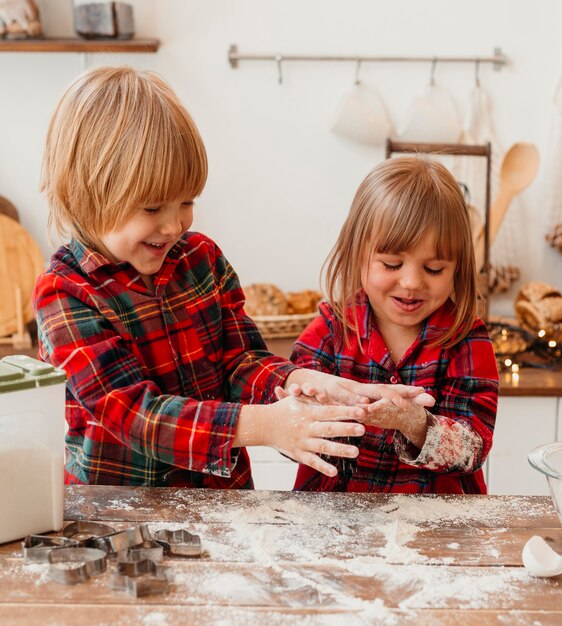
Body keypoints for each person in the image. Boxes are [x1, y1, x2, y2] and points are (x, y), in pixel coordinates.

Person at [33, 66, 431, 489]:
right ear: (87, 195)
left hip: (221, 502)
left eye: (186, 202)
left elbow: (239, 362)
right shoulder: (65, 292)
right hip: (116, 516)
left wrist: (302, 382)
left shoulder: (201, 259)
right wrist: (265, 425)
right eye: (152, 208)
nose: (174, 225)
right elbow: (136, 415)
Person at [289, 156, 499, 494]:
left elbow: (474, 448)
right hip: (334, 521)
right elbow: (290, 425)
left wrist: (413, 422)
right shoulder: (331, 330)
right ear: (358, 256)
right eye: (391, 264)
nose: (412, 282)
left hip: (437, 526)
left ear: (457, 269)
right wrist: (313, 407)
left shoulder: (466, 339)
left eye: (434, 269)